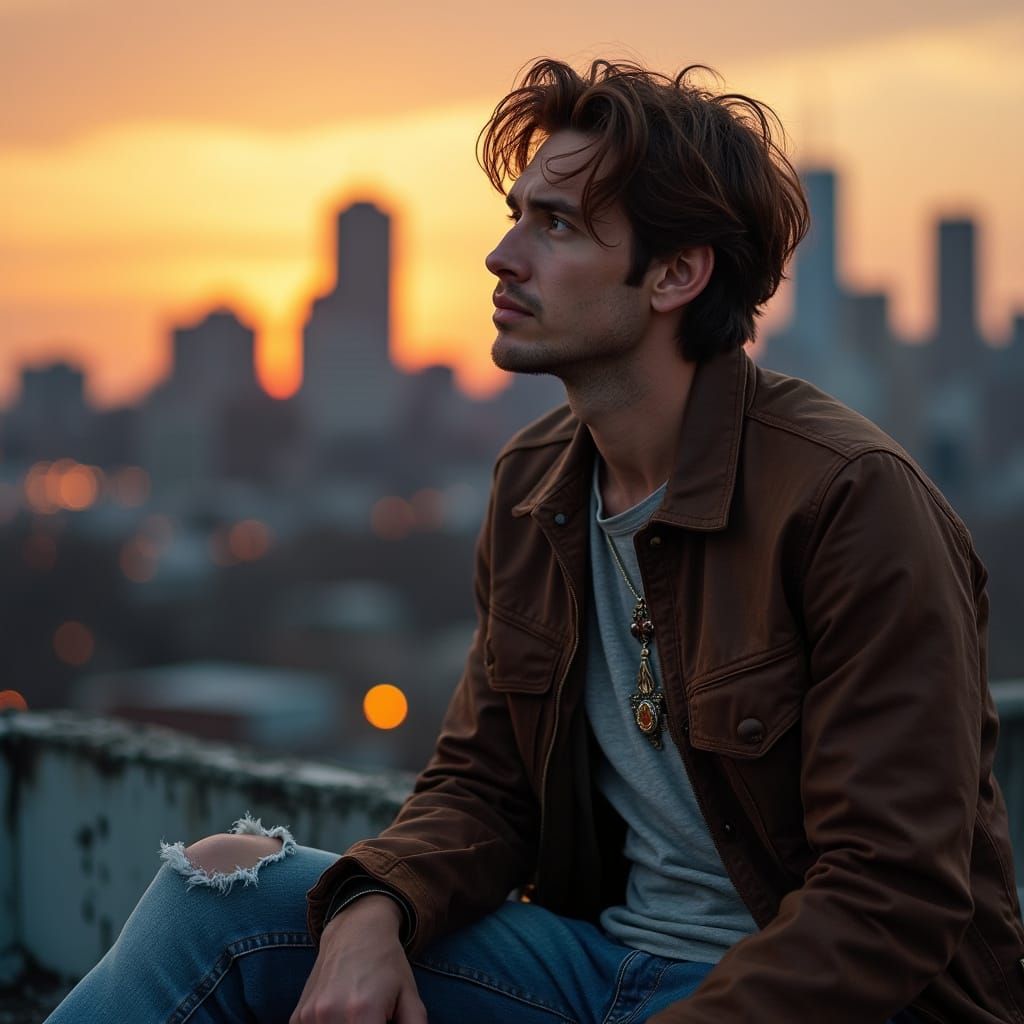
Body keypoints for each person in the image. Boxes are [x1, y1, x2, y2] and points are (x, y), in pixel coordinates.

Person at [47, 58, 1024, 1024]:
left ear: (677, 273)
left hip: (818, 999)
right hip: (601, 964)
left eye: (554, 225)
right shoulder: (536, 484)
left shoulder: (851, 500)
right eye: (516, 215)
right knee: (220, 887)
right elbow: (486, 780)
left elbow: (889, 899)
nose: (502, 255)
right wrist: (373, 902)